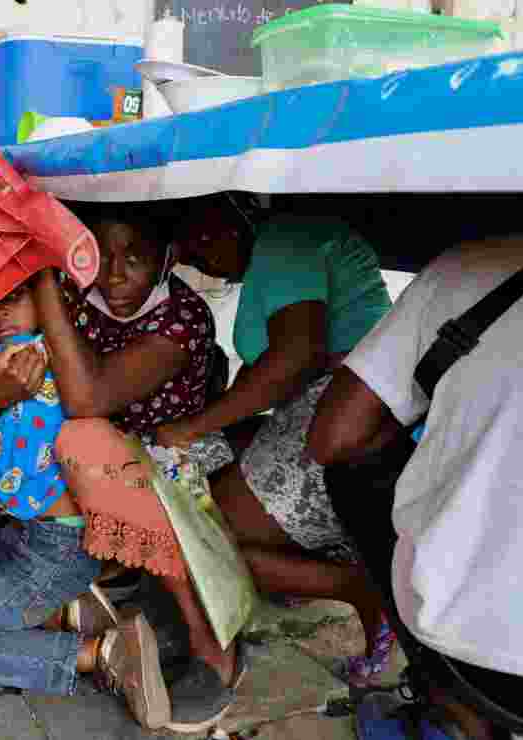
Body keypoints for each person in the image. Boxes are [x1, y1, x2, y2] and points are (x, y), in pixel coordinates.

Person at [116, 192, 393, 726]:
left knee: (210, 535)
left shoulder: (287, 238)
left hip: (348, 411)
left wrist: (195, 426)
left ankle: (353, 585)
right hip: (335, 408)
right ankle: (316, 568)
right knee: (199, 477)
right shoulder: (278, 256)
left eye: (198, 239)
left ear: (230, 213)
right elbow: (265, 374)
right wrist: (211, 432)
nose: (198, 258)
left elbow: (295, 356)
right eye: (188, 253)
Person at [0, 202, 237, 731]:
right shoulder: (84, 297)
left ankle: (213, 645)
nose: (115, 274)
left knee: (83, 438)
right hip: (102, 448)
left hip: (168, 453)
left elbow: (88, 398)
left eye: (135, 258)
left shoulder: (182, 317)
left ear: (168, 258)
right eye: (102, 255)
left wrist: (45, 275)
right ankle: (73, 577)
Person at [307, 234, 523, 740]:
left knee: (354, 469)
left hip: (483, 665)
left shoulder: (476, 263)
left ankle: (456, 709)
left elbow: (333, 438)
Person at [0, 280, 170, 729]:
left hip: (60, 540)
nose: (1, 313)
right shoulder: (9, 358)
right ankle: (68, 611)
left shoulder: (57, 355)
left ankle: (104, 652)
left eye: (14, 298)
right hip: (25, 533)